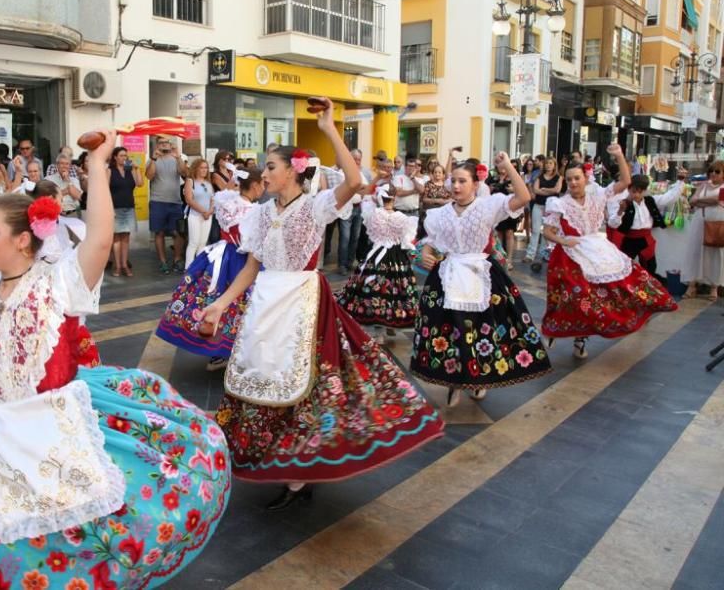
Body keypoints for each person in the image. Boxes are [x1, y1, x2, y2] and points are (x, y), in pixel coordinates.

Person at [0, 132, 230, 589]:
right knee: (2, 545)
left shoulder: (56, 284)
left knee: (75, 538)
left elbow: (99, 238)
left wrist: (96, 164)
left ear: (23, 240)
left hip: (55, 428)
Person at [196, 99, 444, 510]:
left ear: (293, 169)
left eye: (271, 166)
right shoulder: (259, 214)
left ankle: (300, 473)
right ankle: (277, 460)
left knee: (307, 387)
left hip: (303, 303)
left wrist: (329, 128)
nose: (265, 173)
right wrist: (221, 304)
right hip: (265, 304)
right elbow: (251, 266)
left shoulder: (314, 207)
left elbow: (354, 180)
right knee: (264, 377)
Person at [411, 155, 551, 406]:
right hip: (448, 275)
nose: (455, 186)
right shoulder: (439, 214)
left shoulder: (488, 206)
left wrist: (507, 166)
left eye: (462, 181)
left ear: (476, 184)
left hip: (481, 274)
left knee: (478, 329)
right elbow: (429, 243)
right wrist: (425, 254)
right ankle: (454, 380)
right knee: (450, 331)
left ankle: (477, 378)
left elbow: (524, 197)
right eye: (453, 181)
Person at [541, 144, 678, 359]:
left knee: (617, 286)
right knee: (573, 296)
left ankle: (581, 338)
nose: (573, 182)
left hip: (597, 249)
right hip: (570, 255)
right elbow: (547, 232)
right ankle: (557, 328)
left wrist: (619, 156)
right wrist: (564, 240)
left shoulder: (599, 196)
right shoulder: (559, 203)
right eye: (569, 179)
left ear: (585, 179)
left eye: (577, 178)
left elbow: (625, 181)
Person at [156, 169, 265, 367]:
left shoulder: (226, 201)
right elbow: (249, 242)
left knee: (218, 298)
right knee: (241, 302)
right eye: (262, 184)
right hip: (243, 259)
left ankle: (219, 351)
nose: (264, 189)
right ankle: (233, 350)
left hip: (221, 255)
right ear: (256, 185)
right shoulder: (253, 211)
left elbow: (227, 197)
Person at [336, 182, 418, 342]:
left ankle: (379, 329)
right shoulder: (404, 219)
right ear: (394, 197)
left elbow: (366, 199)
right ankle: (390, 324)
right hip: (396, 257)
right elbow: (406, 241)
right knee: (394, 289)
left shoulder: (372, 214)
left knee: (374, 288)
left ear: (380, 197)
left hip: (374, 255)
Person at [607, 173, 685, 278]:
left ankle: (648, 291)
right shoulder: (622, 203)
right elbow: (612, 224)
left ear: (644, 191)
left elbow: (669, 198)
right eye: (634, 191)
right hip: (628, 239)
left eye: (640, 192)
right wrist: (620, 211)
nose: (637, 195)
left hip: (645, 239)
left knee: (650, 267)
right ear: (628, 189)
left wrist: (680, 181)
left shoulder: (650, 201)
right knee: (623, 267)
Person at [146, 136, 189, 274]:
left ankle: (177, 259)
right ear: (157, 145)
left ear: (170, 145)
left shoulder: (176, 158)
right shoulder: (152, 160)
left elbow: (185, 173)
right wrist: (153, 159)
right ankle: (163, 262)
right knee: (159, 232)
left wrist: (178, 158)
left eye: (167, 142)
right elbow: (149, 176)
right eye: (161, 143)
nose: (164, 145)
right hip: (158, 201)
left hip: (175, 201)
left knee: (178, 232)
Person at [682, 161, 724, 302]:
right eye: (711, 171)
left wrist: (702, 200)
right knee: (696, 251)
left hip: (718, 223)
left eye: (717, 172)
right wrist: (708, 200)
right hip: (700, 221)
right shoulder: (703, 185)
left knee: (716, 253)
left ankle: (714, 287)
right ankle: (692, 284)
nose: (713, 174)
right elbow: (692, 201)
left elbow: (718, 199)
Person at [108, 146, 142, 277]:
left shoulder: (130, 170)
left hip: (129, 207)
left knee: (126, 238)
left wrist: (136, 168)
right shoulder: (110, 171)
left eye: (125, 156)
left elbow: (139, 183)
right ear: (115, 157)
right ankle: (117, 266)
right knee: (116, 238)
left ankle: (124, 265)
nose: (124, 158)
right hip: (115, 208)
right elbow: (105, 190)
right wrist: (109, 209)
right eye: (121, 155)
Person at [527, 157, 563, 271]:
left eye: (551, 163)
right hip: (539, 205)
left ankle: (543, 253)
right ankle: (530, 254)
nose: (548, 165)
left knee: (546, 232)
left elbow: (557, 190)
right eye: (547, 163)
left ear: (554, 165)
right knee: (536, 230)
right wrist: (549, 190)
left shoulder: (559, 177)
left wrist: (544, 189)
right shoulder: (539, 176)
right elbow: (536, 190)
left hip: (551, 208)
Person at [184, 157, 215, 267]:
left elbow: (213, 199)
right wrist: (203, 211)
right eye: (201, 168)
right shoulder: (190, 181)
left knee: (202, 243)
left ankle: (199, 269)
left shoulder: (208, 183)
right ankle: (188, 269)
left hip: (207, 216)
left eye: (206, 168)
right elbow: (189, 200)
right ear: (196, 169)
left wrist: (210, 211)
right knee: (193, 243)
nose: (204, 170)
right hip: (195, 215)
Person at [487, 164, 519, 271]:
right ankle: (500, 258)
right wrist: (489, 189)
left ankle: (509, 259)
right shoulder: (492, 178)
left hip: (509, 207)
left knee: (509, 233)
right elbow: (486, 192)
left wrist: (513, 190)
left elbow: (520, 192)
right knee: (499, 233)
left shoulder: (513, 178)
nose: (502, 169)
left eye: (504, 166)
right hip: (497, 210)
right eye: (500, 167)